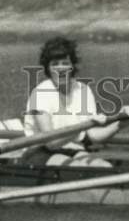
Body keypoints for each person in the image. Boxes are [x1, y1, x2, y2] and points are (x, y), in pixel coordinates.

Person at [22, 36, 121, 167]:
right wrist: (81, 128)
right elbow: (51, 143)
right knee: (79, 168)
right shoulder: (40, 94)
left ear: (72, 66)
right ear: (47, 68)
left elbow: (91, 136)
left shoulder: (83, 90)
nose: (60, 68)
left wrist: (119, 124)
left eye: (65, 63)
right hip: (38, 152)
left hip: (72, 148)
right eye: (55, 64)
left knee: (105, 167)